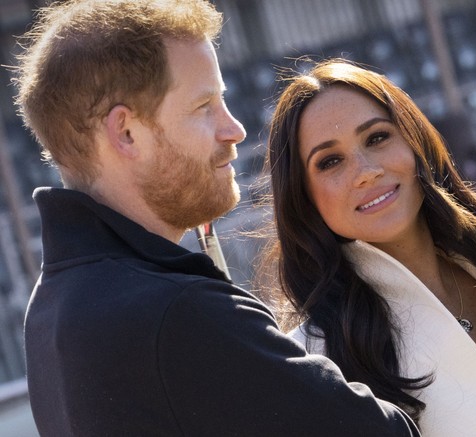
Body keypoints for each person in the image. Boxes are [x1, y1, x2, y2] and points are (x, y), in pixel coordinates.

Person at [13, 2, 421, 436]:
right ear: (126, 133)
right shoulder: (176, 314)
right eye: (204, 106)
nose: (234, 129)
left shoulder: (51, 312)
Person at [264, 59, 476, 436]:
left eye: (377, 137)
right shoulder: (315, 357)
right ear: (303, 197)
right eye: (330, 161)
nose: (366, 170)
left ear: (415, 142)